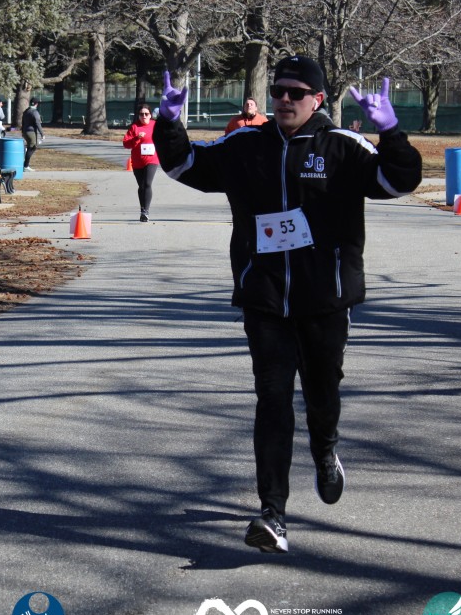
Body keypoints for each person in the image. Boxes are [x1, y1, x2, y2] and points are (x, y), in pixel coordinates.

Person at [154, 56, 422, 553]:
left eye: (296, 93)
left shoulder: (341, 146)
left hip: (325, 299)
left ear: (317, 99)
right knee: (272, 400)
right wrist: (169, 121)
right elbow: (183, 165)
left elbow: (398, 182)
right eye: (278, 90)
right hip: (265, 298)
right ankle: (272, 514)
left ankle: (325, 451)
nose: (283, 99)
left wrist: (391, 132)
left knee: (322, 395)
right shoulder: (245, 144)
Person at [122, 103, 160, 222]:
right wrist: (136, 138)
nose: (144, 116)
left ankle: (146, 211)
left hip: (152, 159)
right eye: (141, 114)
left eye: (146, 114)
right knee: (141, 186)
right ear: (138, 116)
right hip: (137, 161)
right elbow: (126, 144)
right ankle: (142, 209)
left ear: (150, 115)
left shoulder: (155, 126)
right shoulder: (134, 127)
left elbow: (165, 138)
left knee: (147, 183)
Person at [21, 98, 44, 171]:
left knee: (30, 147)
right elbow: (38, 123)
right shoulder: (35, 112)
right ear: (36, 104)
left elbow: (23, 122)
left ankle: (25, 163)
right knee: (32, 147)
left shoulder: (26, 111)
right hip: (31, 132)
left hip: (25, 131)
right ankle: (26, 165)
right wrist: (42, 134)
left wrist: (22, 131)